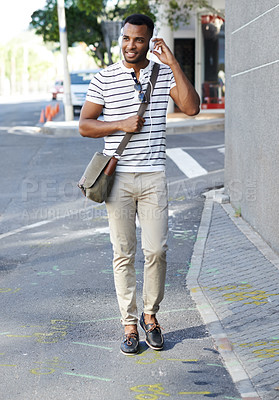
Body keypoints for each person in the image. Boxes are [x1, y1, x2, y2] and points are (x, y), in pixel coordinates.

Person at [79, 13, 200, 355]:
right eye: (127, 38)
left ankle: (151, 316)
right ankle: (130, 325)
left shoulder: (162, 75)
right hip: (116, 178)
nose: (131, 45)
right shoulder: (104, 78)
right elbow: (85, 125)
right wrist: (120, 124)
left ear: (150, 41)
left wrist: (173, 62)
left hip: (153, 176)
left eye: (139, 40)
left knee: (156, 250)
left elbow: (191, 107)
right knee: (123, 253)